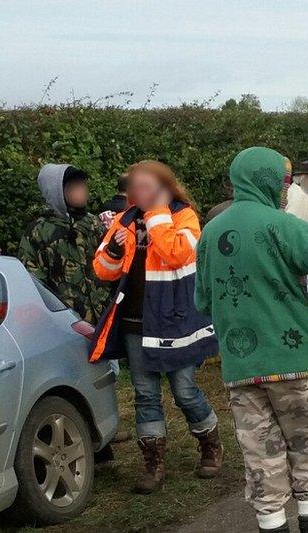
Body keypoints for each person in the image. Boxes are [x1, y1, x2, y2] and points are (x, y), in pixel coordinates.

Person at [195, 147, 308, 533]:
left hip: (242, 369)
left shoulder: (211, 233)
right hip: (296, 363)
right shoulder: (286, 226)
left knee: (261, 459)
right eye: (284, 181)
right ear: (269, 180)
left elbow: (202, 300)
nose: (287, 189)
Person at [91, 160, 221, 495]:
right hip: (136, 323)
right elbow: (103, 269)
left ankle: (210, 443)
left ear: (165, 186)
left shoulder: (184, 216)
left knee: (184, 391)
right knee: (145, 395)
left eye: (148, 185)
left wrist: (157, 215)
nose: (141, 192)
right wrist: (117, 248)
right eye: (136, 186)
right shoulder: (125, 219)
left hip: (177, 322)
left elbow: (178, 254)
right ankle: (153, 464)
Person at [19, 163, 110, 324]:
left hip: (104, 315)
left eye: (83, 185)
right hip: (67, 321)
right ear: (58, 192)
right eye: (75, 186)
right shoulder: (39, 231)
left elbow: (109, 264)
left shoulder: (93, 223)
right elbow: (34, 280)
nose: (82, 190)